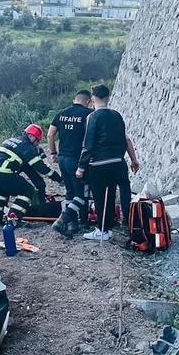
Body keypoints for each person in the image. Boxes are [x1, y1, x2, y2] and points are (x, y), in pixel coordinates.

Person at [53, 84, 139, 241]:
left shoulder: (92, 117)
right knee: (118, 193)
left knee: (100, 197)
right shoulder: (117, 115)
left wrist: (81, 167)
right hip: (118, 163)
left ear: (92, 99)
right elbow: (126, 139)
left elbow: (88, 144)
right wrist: (133, 159)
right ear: (107, 98)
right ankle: (130, 226)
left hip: (99, 164)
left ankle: (102, 230)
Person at [0, 124, 63, 228]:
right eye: (37, 141)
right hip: (2, 172)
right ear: (32, 137)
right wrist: (59, 179)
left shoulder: (12, 140)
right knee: (27, 191)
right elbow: (40, 167)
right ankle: (13, 219)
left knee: (0, 194)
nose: (37, 144)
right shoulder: (27, 146)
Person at [47, 90, 92, 221]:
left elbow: (50, 135)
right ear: (88, 101)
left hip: (62, 158)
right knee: (82, 192)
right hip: (77, 159)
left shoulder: (61, 113)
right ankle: (78, 221)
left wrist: (53, 153)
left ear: (74, 99)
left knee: (69, 192)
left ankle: (71, 224)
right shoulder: (88, 114)